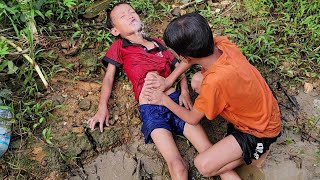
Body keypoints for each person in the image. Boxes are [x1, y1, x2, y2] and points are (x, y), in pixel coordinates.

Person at [142, 13, 282, 179]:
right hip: (265, 109)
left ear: (185, 56)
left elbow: (193, 118)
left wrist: (164, 100)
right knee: (196, 80)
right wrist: (169, 81)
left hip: (260, 131)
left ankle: (257, 152)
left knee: (203, 165)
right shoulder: (223, 44)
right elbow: (191, 60)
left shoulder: (214, 83)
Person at [88, 4, 212, 180]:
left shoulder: (158, 43)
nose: (130, 15)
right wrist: (102, 108)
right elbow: (108, 78)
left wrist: (184, 92)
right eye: (123, 16)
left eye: (131, 12)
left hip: (174, 100)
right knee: (177, 165)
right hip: (151, 108)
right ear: (115, 31)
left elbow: (179, 68)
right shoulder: (119, 46)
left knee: (209, 151)